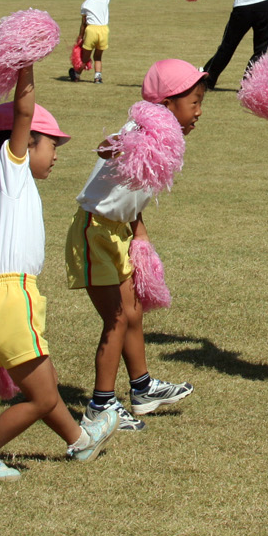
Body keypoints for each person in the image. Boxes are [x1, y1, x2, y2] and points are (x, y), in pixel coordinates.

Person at [0, 65, 115, 481]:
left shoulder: (11, 183)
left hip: (2, 298)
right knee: (43, 397)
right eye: (52, 144)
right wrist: (25, 61)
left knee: (45, 385)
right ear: (25, 144)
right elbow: (22, 112)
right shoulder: (13, 171)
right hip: (11, 298)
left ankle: (80, 441)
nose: (57, 154)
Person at [68, 60, 207, 430]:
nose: (198, 112)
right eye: (193, 102)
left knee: (133, 313)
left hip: (118, 232)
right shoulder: (142, 128)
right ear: (168, 103)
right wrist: (122, 143)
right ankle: (101, 407)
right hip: (94, 232)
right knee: (116, 319)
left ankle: (142, 389)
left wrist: (139, 230)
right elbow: (105, 150)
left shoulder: (164, 141)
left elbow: (130, 191)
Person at [74, 0, 110, 84]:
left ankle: (76, 75)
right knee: (98, 56)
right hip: (104, 30)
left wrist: (80, 36)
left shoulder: (85, 4)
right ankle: (98, 77)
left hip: (91, 30)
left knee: (85, 57)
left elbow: (84, 23)